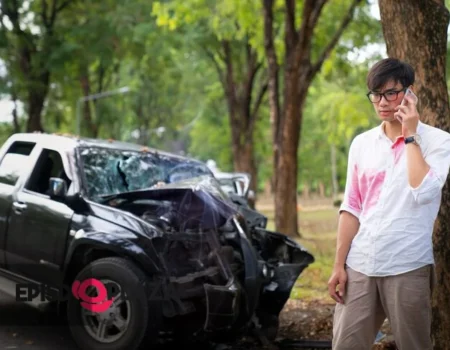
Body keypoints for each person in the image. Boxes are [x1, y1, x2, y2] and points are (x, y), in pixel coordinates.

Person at [328, 57, 450, 350]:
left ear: (409, 94)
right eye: (375, 94)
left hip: (407, 264)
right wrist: (338, 265)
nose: (382, 102)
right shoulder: (362, 144)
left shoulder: (439, 142)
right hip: (361, 263)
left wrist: (410, 136)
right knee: (345, 344)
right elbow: (352, 207)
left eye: (390, 93)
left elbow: (423, 192)